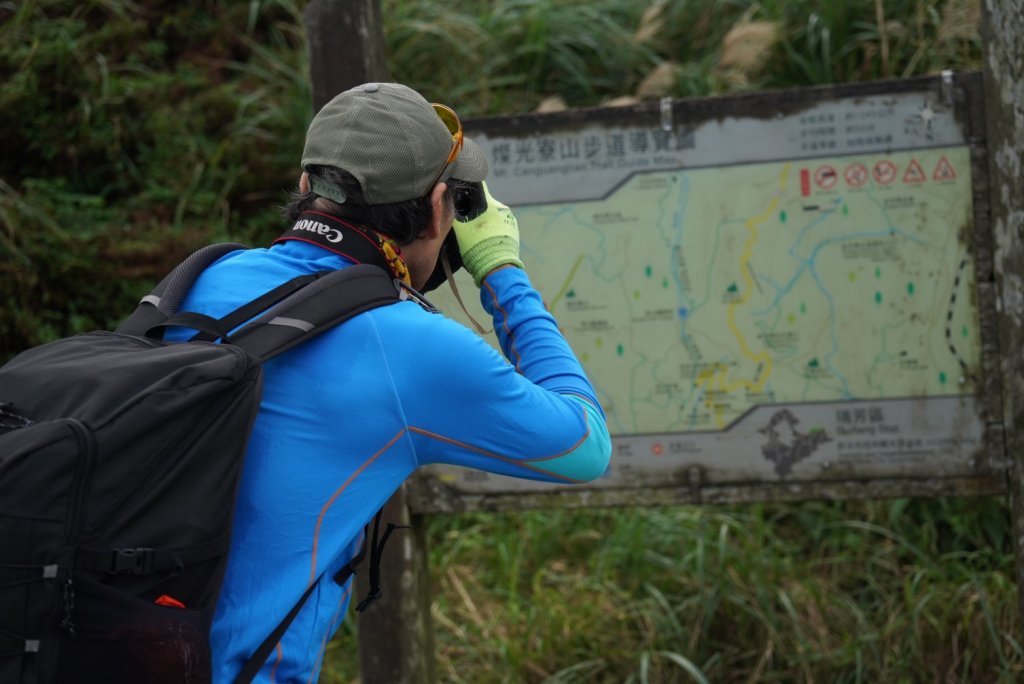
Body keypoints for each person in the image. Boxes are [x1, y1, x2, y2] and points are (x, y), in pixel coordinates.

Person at [167, 81, 612, 682]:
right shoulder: (408, 346)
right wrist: (502, 268)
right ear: (437, 209)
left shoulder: (203, 276)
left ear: (307, 187)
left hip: (115, 647)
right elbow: (584, 446)